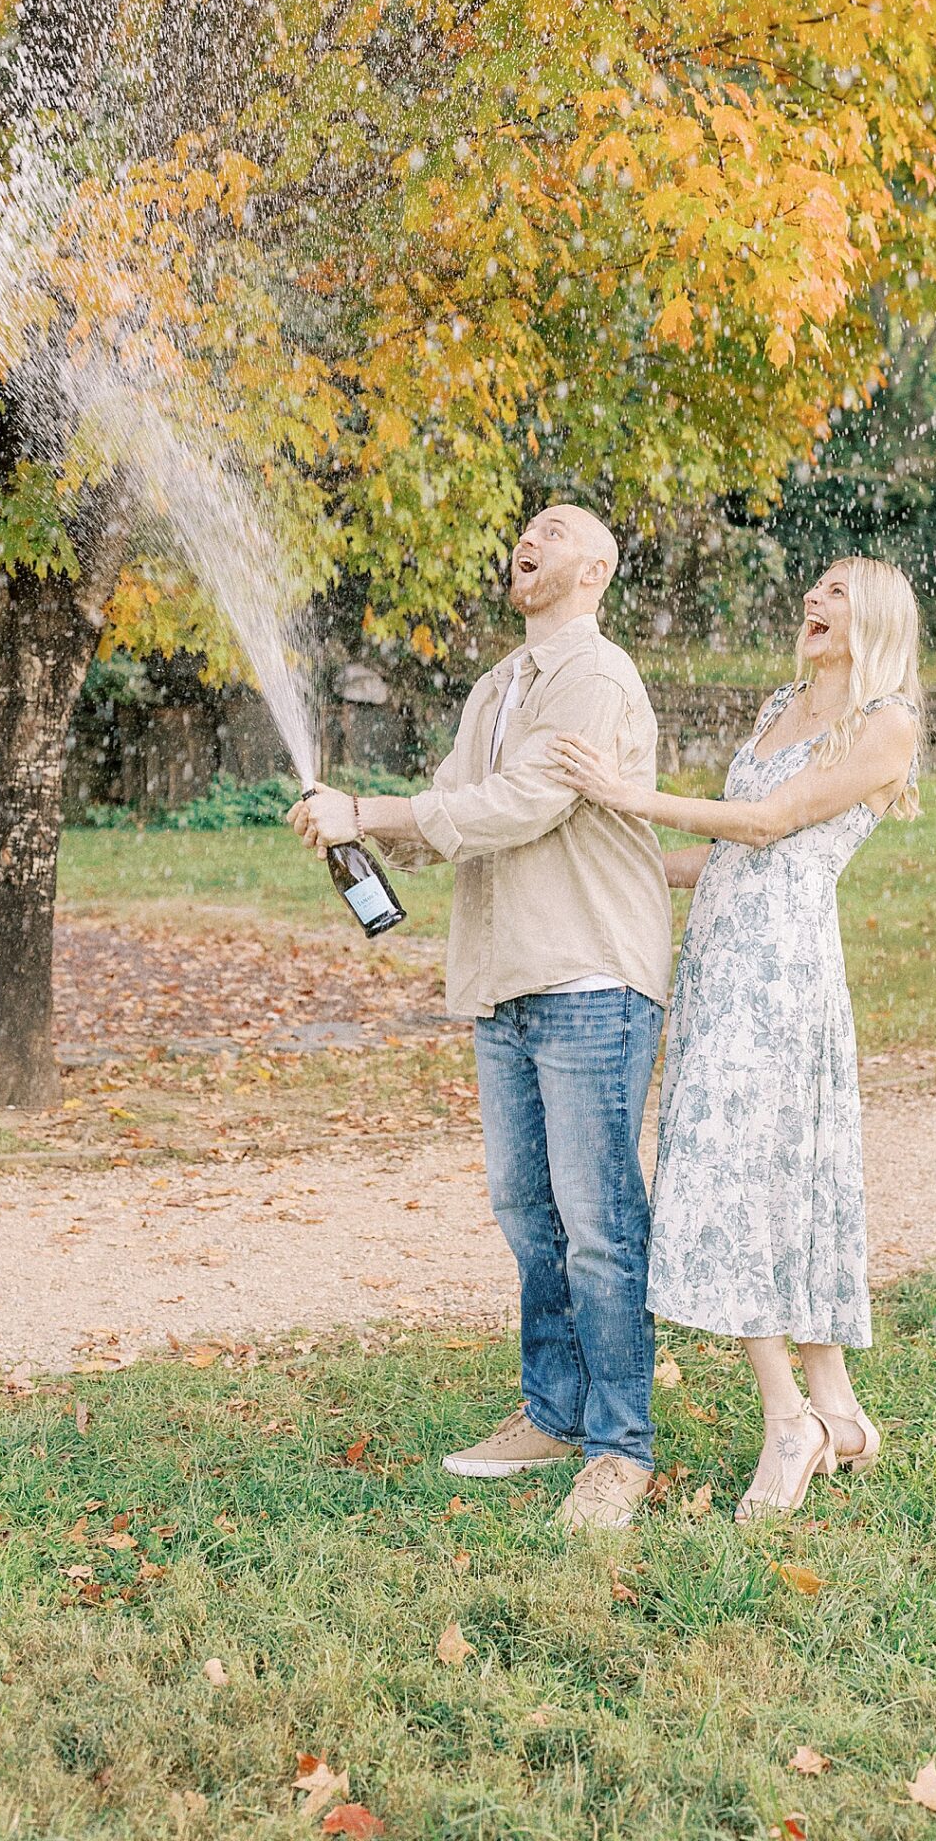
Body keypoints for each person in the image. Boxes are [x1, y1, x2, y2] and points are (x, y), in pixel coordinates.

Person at [289, 505, 672, 1532]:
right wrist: (354, 818)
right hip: (504, 981)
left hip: (591, 972)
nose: (527, 538)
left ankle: (620, 1448)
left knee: (598, 1223)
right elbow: (459, 807)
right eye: (525, 527)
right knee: (527, 1212)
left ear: (594, 568)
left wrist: (371, 816)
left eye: (554, 529)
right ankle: (553, 1413)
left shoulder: (597, 675)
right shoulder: (498, 686)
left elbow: (523, 803)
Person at [549, 554, 920, 1522]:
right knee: (775, 1177)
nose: (815, 600)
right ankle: (836, 1408)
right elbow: (717, 856)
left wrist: (629, 793)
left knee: (739, 1178)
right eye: (816, 587)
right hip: (722, 964)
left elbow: (764, 824)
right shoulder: (778, 707)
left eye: (837, 591)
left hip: (782, 975)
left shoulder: (888, 726)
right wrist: (605, 846)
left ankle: (787, 1418)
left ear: (874, 616)